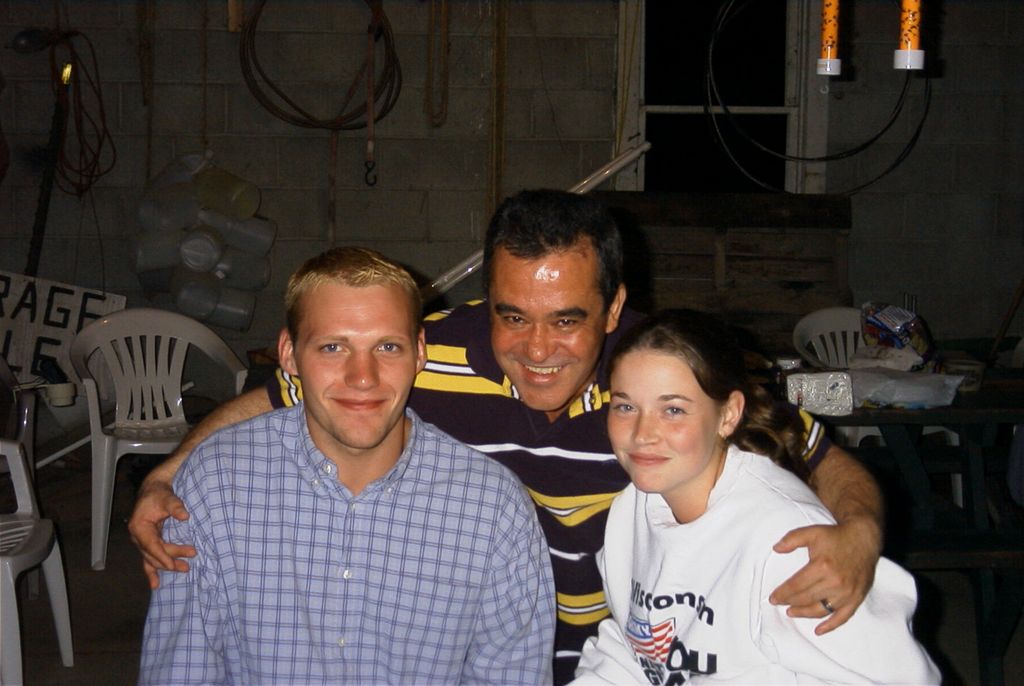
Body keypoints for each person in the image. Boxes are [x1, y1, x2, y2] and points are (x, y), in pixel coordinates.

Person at [130, 190, 885, 685]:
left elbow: (815, 450)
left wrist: (859, 530)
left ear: (615, 307)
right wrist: (169, 475)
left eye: (568, 320)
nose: (536, 349)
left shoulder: (659, 378)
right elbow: (277, 399)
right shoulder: (417, 355)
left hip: (617, 664)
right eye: (512, 315)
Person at [139, 247, 556, 685]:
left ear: (418, 353)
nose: (363, 377)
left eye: (387, 346)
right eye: (333, 347)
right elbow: (181, 671)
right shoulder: (216, 484)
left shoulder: (492, 509)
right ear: (289, 354)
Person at [571, 310, 938, 684]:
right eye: (626, 406)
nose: (642, 432)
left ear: (728, 415)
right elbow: (634, 651)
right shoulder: (632, 508)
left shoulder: (786, 543)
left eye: (673, 409)